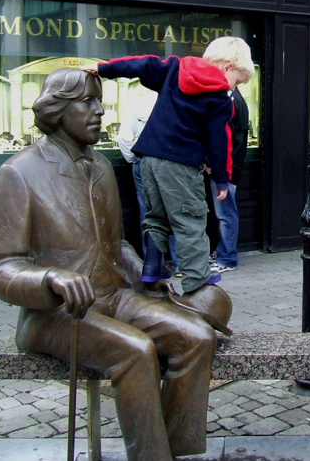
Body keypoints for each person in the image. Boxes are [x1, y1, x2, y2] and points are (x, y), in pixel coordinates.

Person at [0, 68, 233, 461]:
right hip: (56, 313)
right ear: (57, 110)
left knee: (197, 336)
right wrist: (49, 277)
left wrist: (143, 273)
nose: (100, 110)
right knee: (135, 349)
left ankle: (171, 449)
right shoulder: (18, 172)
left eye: (99, 101)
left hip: (114, 295)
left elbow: (115, 243)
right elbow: (0, 266)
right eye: (88, 102)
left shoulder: (101, 166)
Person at [87, 36, 255, 299]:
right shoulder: (220, 99)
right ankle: (197, 280)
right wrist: (223, 179)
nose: (235, 88)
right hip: (181, 163)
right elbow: (220, 141)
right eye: (238, 81)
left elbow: (143, 65)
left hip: (148, 158)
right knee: (191, 218)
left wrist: (105, 69)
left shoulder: (176, 69)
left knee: (156, 217)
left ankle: (152, 269)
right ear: (227, 67)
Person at [116, 93, 179, 276]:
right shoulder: (176, 99)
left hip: (144, 158)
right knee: (174, 209)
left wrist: (133, 158)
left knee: (148, 211)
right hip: (172, 160)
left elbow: (124, 138)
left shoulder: (139, 101)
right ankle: (180, 264)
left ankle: (151, 264)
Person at [210, 87, 250, 273]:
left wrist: (222, 169)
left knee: (225, 213)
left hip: (226, 169)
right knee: (225, 213)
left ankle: (227, 257)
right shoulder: (236, 99)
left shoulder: (232, 100)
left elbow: (232, 141)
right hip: (228, 168)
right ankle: (224, 254)